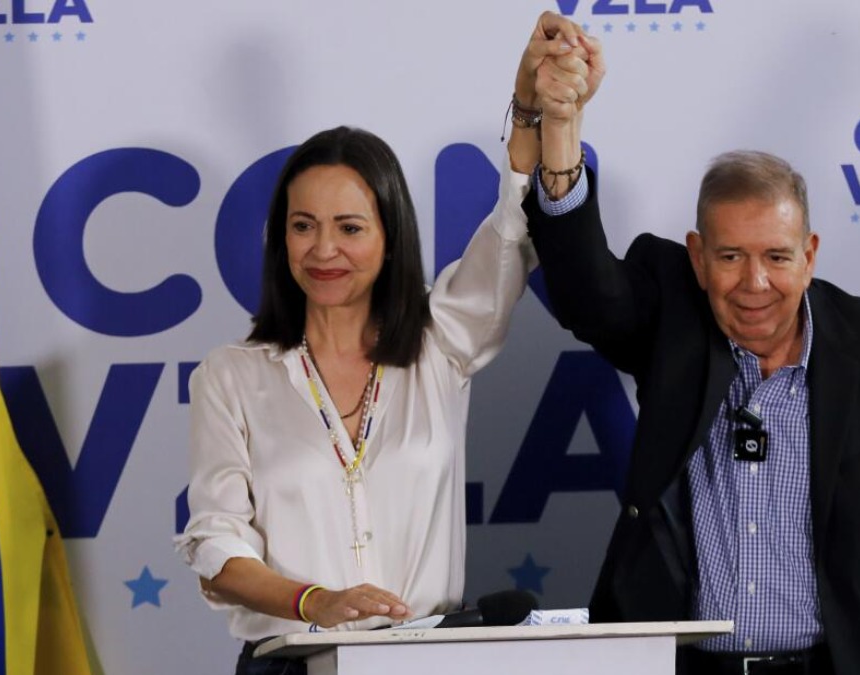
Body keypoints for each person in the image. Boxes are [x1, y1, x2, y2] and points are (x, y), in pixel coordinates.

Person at [524, 21, 860, 675]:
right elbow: (588, 296)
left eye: (776, 256)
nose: (755, 284)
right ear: (698, 258)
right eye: (730, 256)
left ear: (809, 256)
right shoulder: (674, 313)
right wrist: (560, 128)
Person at [174, 16, 591, 674]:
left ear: (389, 235)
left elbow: (510, 228)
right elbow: (215, 547)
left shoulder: (441, 341)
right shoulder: (231, 376)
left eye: (349, 227)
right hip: (293, 661)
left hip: (430, 659)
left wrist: (529, 110)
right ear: (280, 239)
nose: (324, 249)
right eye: (303, 226)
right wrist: (316, 599)